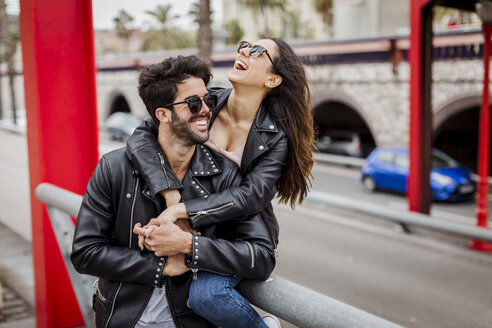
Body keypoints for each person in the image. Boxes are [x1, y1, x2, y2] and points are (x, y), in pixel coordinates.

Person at [71, 56, 276, 328]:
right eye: (193, 103)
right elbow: (86, 251)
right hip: (122, 318)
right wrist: (161, 266)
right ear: (163, 114)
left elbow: (261, 256)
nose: (205, 110)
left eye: (208, 100)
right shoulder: (114, 168)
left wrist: (188, 245)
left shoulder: (226, 174)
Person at [130, 38, 314, 327]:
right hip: (198, 228)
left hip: (242, 236)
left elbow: (252, 195)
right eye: (244, 45)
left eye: (256, 51)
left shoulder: (275, 136)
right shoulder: (205, 101)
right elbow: (142, 136)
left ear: (273, 79)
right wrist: (171, 197)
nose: (244, 51)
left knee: (207, 295)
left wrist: (184, 211)